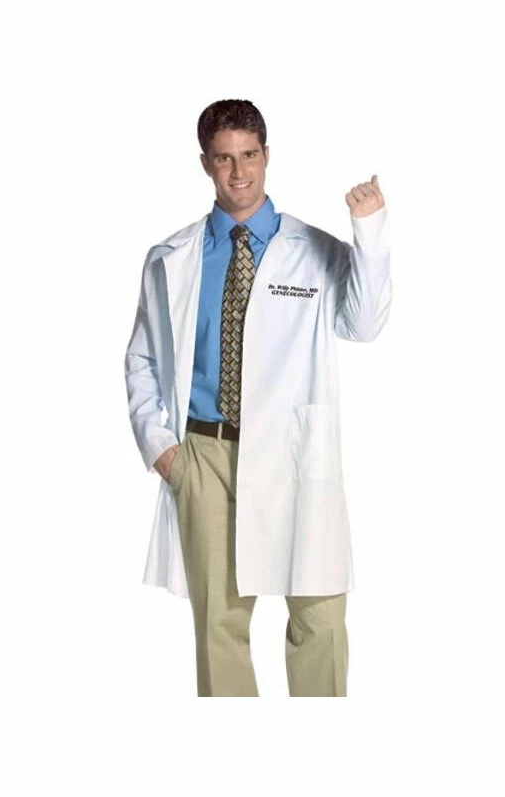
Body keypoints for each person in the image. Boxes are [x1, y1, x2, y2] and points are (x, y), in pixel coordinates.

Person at [124, 98, 391, 697]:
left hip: (295, 452)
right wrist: (163, 450)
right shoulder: (171, 258)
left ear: (267, 156)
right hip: (205, 456)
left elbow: (364, 323)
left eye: (249, 155)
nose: (239, 171)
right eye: (224, 158)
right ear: (205, 163)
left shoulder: (315, 250)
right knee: (219, 624)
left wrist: (369, 232)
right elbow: (142, 359)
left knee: (320, 618)